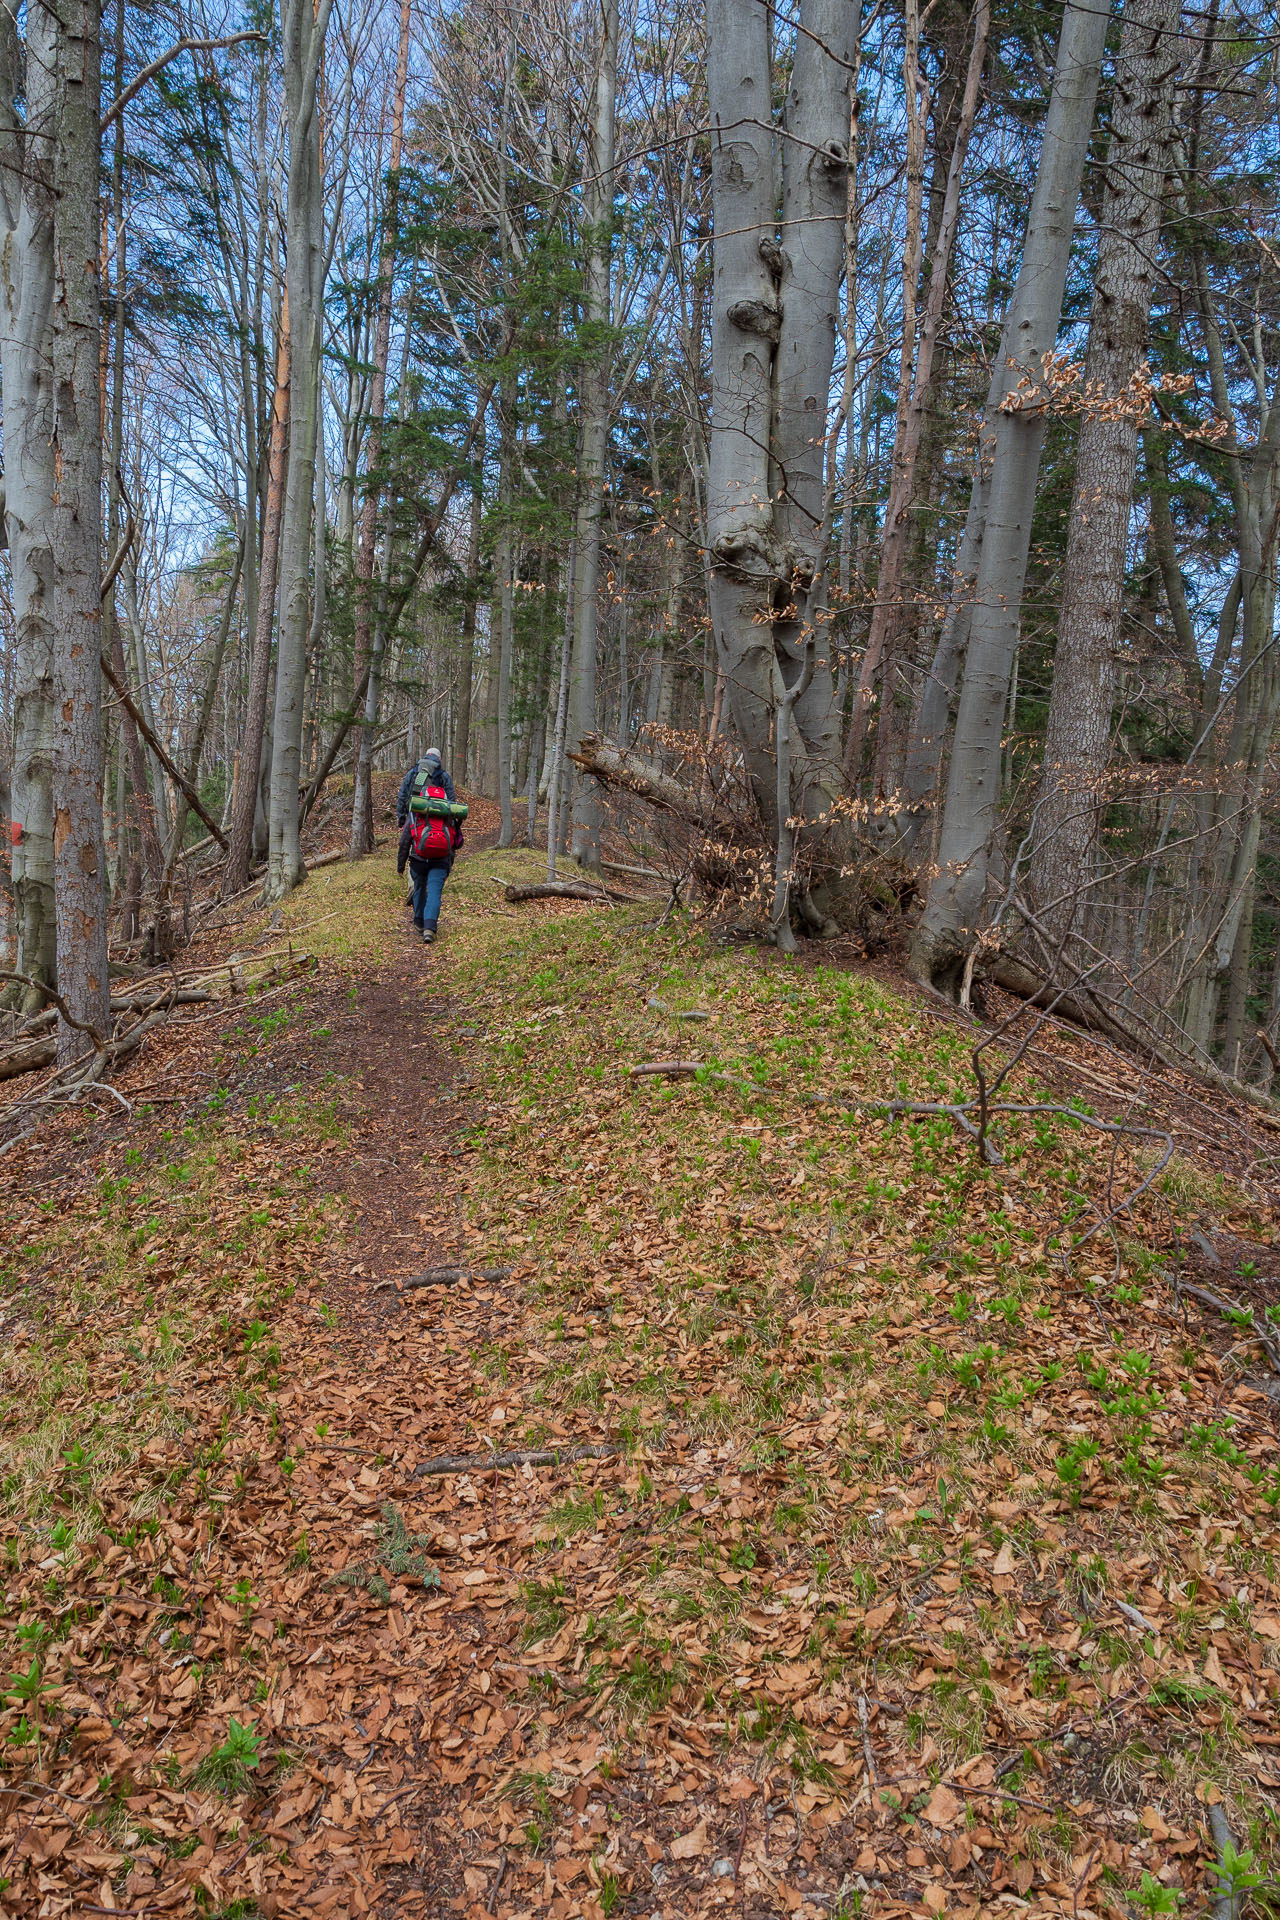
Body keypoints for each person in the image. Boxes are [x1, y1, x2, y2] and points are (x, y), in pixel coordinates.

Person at [396, 751, 463, 944]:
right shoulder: (444, 776)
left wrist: (402, 818)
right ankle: (429, 928)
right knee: (434, 890)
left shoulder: (414, 774)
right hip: (441, 853)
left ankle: (418, 922)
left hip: (418, 851)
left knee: (418, 887)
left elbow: (402, 796)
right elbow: (452, 803)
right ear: (439, 759)